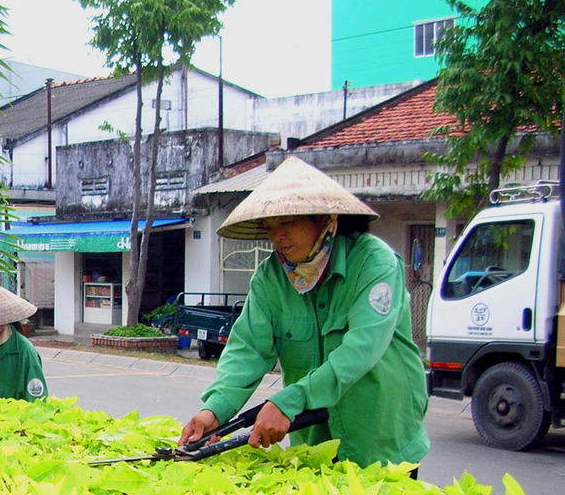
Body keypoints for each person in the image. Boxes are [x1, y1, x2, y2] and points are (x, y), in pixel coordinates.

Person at [179, 156, 429, 469]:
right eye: (271, 227)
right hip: (313, 444)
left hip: (380, 440)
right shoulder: (270, 278)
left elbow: (362, 348)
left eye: (287, 223)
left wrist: (291, 400)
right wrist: (214, 411)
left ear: (324, 220)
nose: (277, 236)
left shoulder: (374, 264)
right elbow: (249, 349)